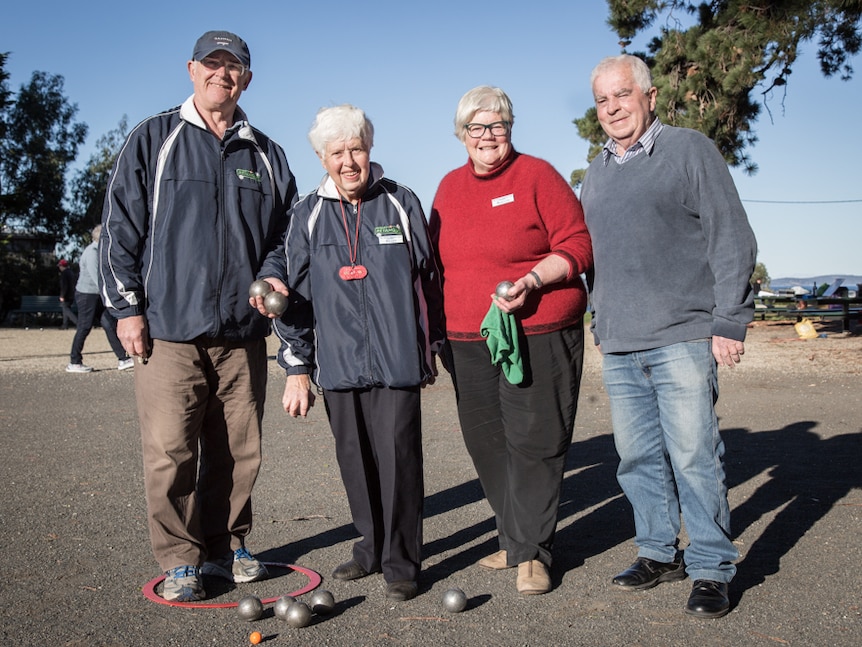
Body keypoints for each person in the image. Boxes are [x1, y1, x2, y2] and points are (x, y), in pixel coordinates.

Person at [99, 30, 298, 602]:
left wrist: (275, 274)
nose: (222, 74)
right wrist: (126, 309)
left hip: (241, 330)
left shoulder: (266, 152)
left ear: (247, 79)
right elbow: (120, 228)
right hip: (168, 328)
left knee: (238, 449)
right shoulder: (153, 138)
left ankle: (227, 544)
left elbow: (285, 233)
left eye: (233, 67)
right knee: (171, 450)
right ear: (191, 70)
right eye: (212, 64)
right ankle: (181, 557)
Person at [579, 54, 757, 619]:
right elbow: (595, 261)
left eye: (622, 95)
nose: (612, 108)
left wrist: (729, 320)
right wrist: (598, 320)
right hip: (622, 342)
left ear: (649, 97)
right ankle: (658, 552)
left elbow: (732, 236)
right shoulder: (596, 173)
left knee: (694, 455)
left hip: (683, 334)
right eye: (602, 99)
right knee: (637, 459)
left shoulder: (689, 150)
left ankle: (710, 567)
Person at [274, 104, 443, 602]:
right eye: (336, 152)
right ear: (322, 158)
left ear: (370, 149)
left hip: (397, 360)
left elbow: (429, 278)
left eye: (356, 148)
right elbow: (293, 297)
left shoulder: (400, 202)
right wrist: (298, 365)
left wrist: (430, 346)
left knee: (400, 461)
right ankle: (369, 548)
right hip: (339, 362)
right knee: (356, 461)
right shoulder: (306, 213)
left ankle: (402, 562)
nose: (348, 161)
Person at [429, 86, 593, 595]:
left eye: (496, 125)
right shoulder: (448, 188)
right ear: (461, 135)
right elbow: (433, 265)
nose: (487, 136)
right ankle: (515, 537)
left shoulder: (537, 175)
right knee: (487, 441)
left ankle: (534, 553)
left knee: (535, 441)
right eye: (476, 127)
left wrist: (534, 281)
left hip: (539, 329)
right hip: (467, 337)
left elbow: (579, 245)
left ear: (510, 128)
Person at [65, 225, 132, 373]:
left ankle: (123, 358)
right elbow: (98, 277)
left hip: (96, 294)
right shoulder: (92, 253)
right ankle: (74, 361)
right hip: (87, 295)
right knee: (84, 326)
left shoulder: (98, 251)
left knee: (108, 323)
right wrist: (112, 295)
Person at [58, 259, 78, 330]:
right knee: (66, 309)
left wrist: (62, 295)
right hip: (72, 294)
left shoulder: (64, 274)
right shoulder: (71, 273)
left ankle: (77, 323)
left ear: (62, 266)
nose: (59, 267)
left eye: (60, 266)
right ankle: (65, 324)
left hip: (67, 295)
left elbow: (64, 286)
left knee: (66, 309)